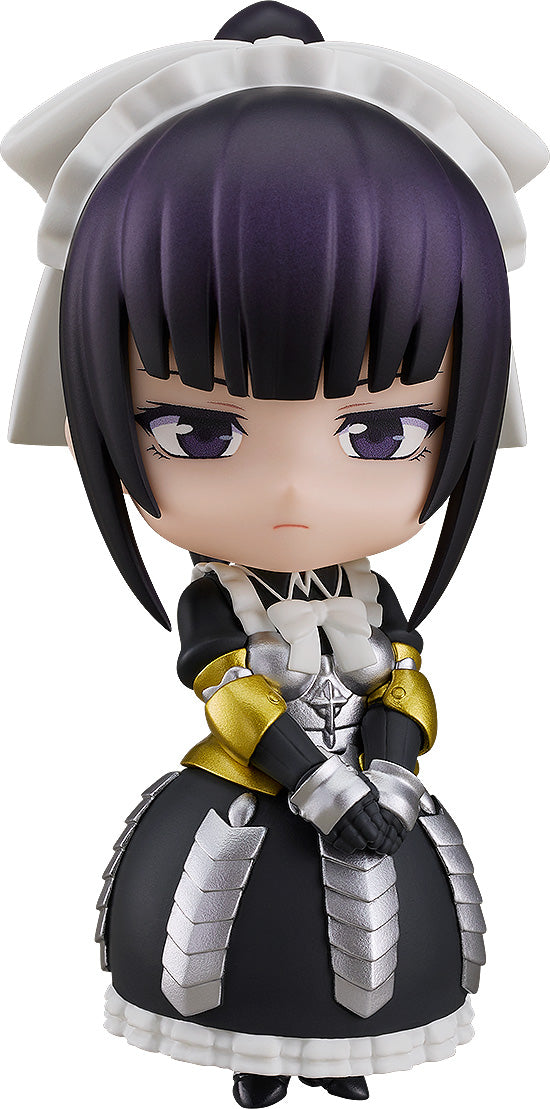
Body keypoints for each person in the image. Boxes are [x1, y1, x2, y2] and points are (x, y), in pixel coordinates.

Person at [3, 4, 547, 1106]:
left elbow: (404, 675)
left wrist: (390, 764)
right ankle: (256, 1060)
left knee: (385, 931)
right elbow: (232, 692)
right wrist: (320, 780)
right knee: (234, 941)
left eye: (382, 433)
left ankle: (344, 1059)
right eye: (198, 431)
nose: (295, 491)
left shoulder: (369, 592)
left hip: (371, 791)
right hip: (253, 793)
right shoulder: (221, 603)